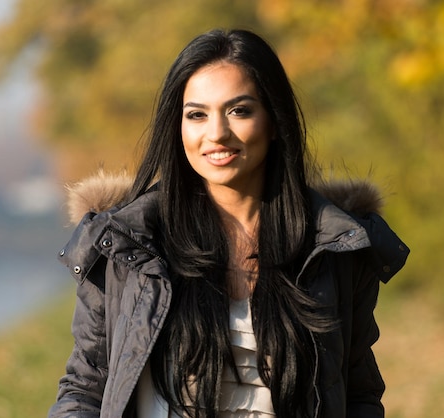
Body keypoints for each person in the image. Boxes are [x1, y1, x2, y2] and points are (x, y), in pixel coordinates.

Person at [48, 28, 409, 418]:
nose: (216, 134)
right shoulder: (125, 245)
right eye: (196, 115)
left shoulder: (333, 247)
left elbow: (358, 395)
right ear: (177, 127)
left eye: (239, 110)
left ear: (274, 122)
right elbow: (85, 389)